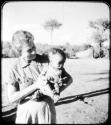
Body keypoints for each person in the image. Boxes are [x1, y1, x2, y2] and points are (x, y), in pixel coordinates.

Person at [7, 30, 56, 124]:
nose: (34, 51)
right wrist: (36, 85)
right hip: (26, 114)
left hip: (47, 111)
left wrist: (57, 91)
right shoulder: (14, 68)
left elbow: (66, 78)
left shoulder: (46, 60)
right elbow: (12, 98)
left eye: (34, 47)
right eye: (29, 50)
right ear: (19, 52)